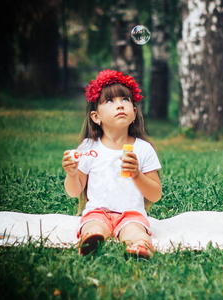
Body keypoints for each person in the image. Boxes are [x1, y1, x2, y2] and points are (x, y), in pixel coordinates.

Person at [62, 69, 162, 258]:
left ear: (133, 113)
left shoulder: (143, 149)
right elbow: (74, 191)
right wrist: (72, 173)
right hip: (97, 212)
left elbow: (155, 194)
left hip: (132, 214)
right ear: (96, 117)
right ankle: (91, 242)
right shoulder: (89, 147)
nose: (119, 105)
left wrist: (137, 175)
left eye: (125, 100)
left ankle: (140, 246)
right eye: (110, 101)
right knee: (93, 227)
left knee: (135, 232)